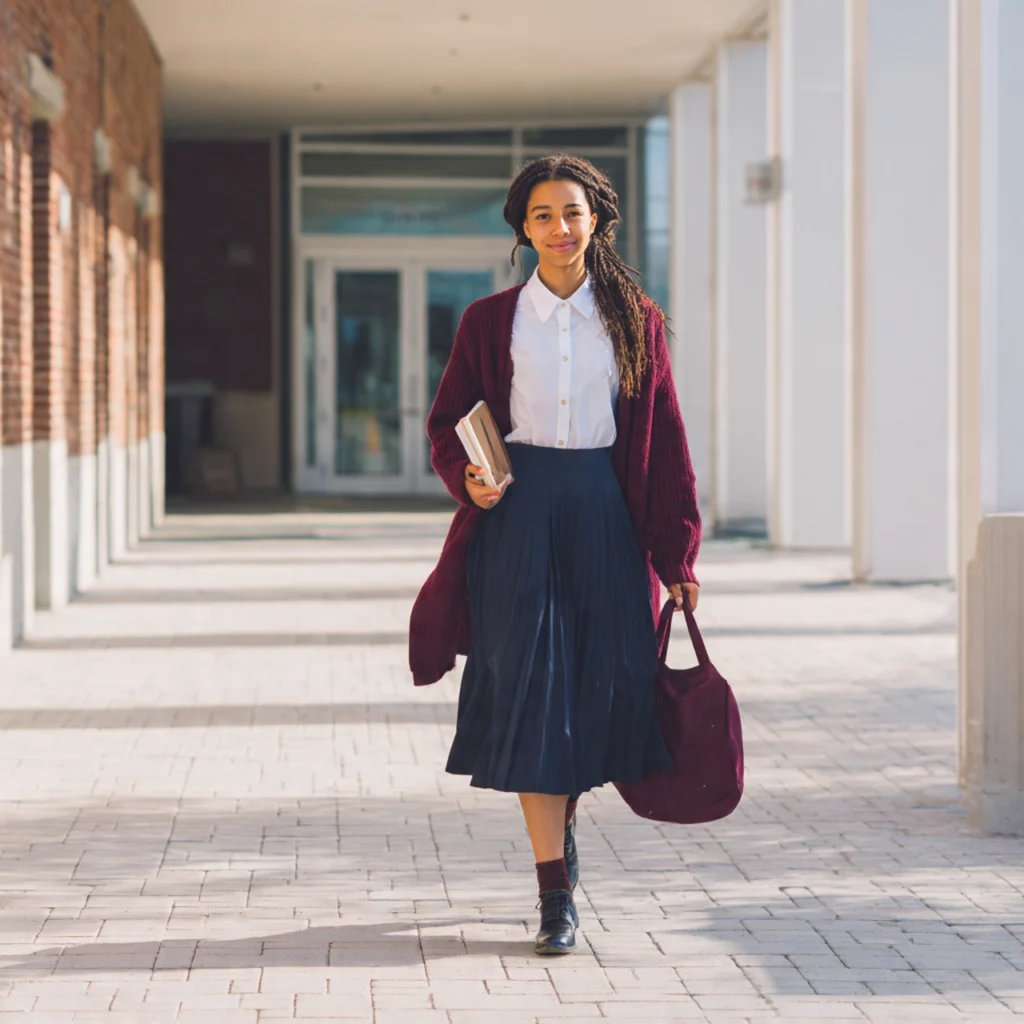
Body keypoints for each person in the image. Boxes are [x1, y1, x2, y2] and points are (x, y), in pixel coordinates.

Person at [408, 155, 701, 955]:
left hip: (606, 519)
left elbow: (665, 442)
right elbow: (447, 424)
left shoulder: (635, 321)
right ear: (522, 229)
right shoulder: (488, 321)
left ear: (597, 220)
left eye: (571, 213)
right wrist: (469, 478)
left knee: (596, 693)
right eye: (541, 215)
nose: (558, 228)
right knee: (534, 693)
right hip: (518, 518)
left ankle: (560, 837)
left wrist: (678, 558)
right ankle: (554, 893)